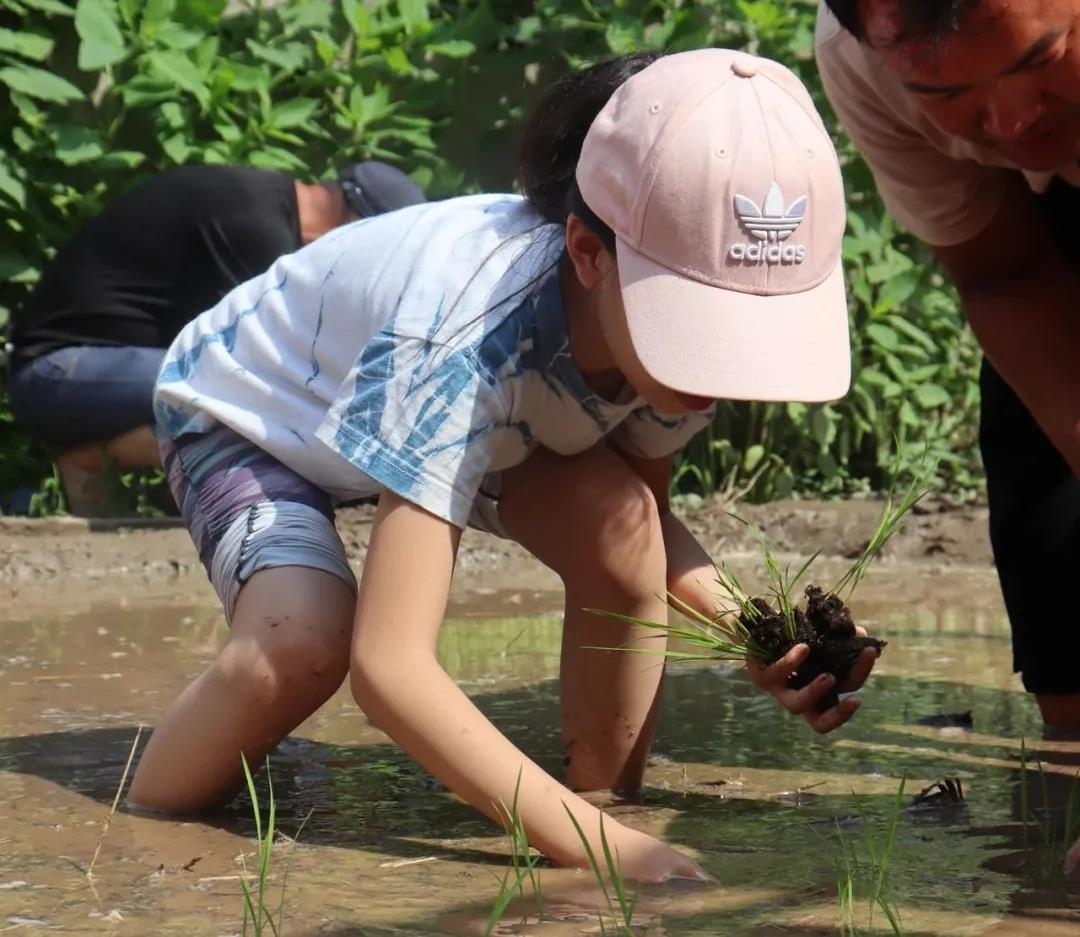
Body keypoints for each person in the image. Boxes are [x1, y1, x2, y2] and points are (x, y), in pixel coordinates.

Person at [129, 49, 876, 882]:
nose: (720, 375)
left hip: (498, 418)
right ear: (589, 253)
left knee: (621, 531)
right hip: (255, 415)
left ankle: (604, 796)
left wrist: (761, 635)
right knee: (304, 638)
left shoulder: (664, 332)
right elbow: (389, 668)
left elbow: (647, 524)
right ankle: (144, 830)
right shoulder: (457, 339)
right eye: (703, 327)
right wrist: (603, 856)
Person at [816, 0, 1080, 730]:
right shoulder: (858, 54)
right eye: (948, 93)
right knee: (1062, 586)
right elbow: (1007, 274)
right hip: (1048, 234)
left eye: (1041, 59)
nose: (1014, 119)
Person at [7, 161, 426, 515]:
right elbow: (276, 374)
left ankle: (133, 484)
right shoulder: (255, 227)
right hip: (54, 375)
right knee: (261, 406)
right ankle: (96, 459)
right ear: (356, 228)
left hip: (91, 370)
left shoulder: (257, 199)